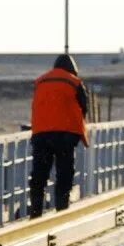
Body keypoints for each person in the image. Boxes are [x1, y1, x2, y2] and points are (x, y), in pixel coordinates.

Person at [28, 54, 89, 218]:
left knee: (39, 174)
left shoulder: (40, 81)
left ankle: (35, 212)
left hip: (41, 134)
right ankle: (61, 209)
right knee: (64, 173)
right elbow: (84, 107)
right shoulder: (74, 82)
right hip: (65, 135)